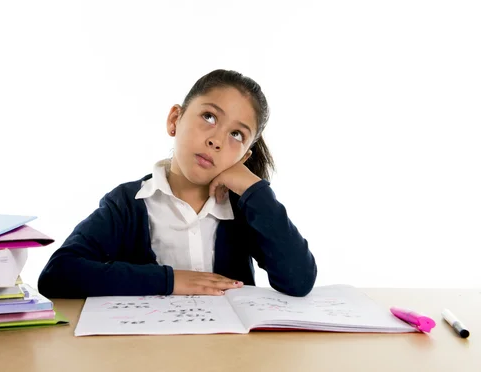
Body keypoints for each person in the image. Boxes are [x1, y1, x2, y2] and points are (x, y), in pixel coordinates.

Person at [38, 69, 317, 298]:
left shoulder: (245, 208)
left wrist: (255, 191)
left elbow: (299, 280)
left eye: (236, 134)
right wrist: (170, 281)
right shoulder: (127, 204)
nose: (216, 140)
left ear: (244, 157)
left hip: (231, 356)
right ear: (175, 119)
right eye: (209, 117)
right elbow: (59, 274)